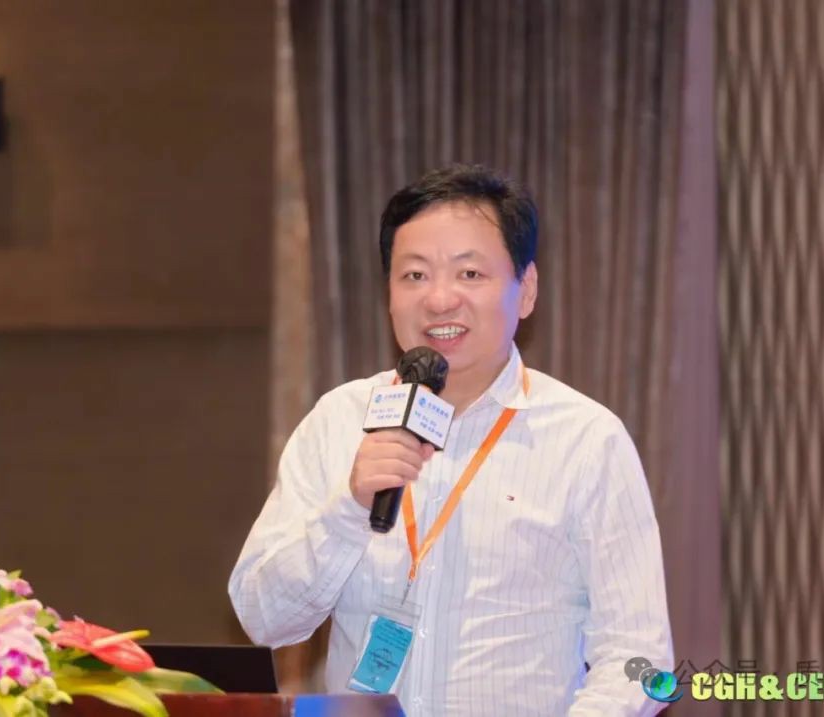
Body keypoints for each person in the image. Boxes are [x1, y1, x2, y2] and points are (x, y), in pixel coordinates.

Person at [229, 165, 673, 716]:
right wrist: (349, 507)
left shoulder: (586, 439)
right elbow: (264, 619)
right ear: (389, 293)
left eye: (470, 273)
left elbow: (640, 657)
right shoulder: (338, 421)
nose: (439, 300)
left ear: (526, 290)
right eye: (414, 275)